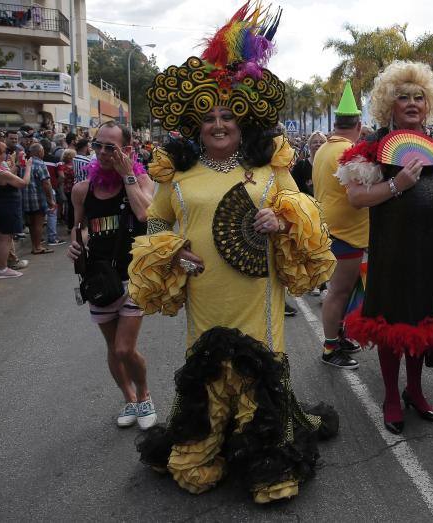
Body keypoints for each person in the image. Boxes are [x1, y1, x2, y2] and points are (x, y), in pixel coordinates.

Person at [129, 3, 338, 502]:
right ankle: (205, 444)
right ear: (197, 126)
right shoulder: (176, 173)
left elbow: (300, 207)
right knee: (208, 368)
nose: (219, 124)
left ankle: (268, 459)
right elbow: (156, 217)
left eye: (228, 117)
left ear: (243, 125)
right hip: (205, 290)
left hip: (257, 286)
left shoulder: (269, 168)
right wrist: (174, 250)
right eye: (210, 118)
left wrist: (279, 218)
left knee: (259, 367)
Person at [338, 61, 433, 434]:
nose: (411, 103)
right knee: (390, 326)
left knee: (420, 325)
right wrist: (397, 185)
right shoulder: (373, 147)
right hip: (389, 252)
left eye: (418, 97)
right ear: (389, 104)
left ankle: (415, 390)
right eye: (402, 97)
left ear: (429, 105)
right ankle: (391, 395)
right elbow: (357, 198)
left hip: (426, 255)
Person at [66, 120, 157, 429]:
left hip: (135, 277)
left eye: (111, 147)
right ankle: (129, 399)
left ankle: (144, 397)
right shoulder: (82, 190)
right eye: (98, 146)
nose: (103, 153)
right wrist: (75, 245)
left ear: (127, 150)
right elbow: (79, 228)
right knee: (112, 349)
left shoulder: (140, 180)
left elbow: (145, 213)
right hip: (100, 280)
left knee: (124, 347)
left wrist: (126, 175)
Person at [313, 80, 366, 370]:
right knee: (339, 292)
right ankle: (330, 348)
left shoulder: (324, 149)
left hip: (330, 229)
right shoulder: (349, 152)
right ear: (358, 124)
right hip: (346, 234)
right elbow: (358, 196)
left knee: (341, 290)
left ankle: (339, 336)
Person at [0, 141, 31, 279]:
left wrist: (17, 165)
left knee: (2, 237)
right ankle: (2, 268)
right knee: (5, 238)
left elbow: (7, 176)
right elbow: (23, 183)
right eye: (5, 152)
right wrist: (28, 168)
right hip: (7, 206)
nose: (7, 154)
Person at [21, 143, 55, 254]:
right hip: (38, 197)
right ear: (40, 152)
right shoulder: (40, 163)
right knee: (39, 223)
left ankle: (34, 246)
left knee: (31, 224)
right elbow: (46, 183)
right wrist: (50, 200)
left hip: (25, 198)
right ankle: (37, 247)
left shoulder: (24, 163)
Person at [291, 131, 325, 195]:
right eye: (315, 142)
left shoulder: (329, 165)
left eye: (321, 142)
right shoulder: (300, 166)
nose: (318, 144)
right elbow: (294, 188)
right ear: (309, 145)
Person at [58, 149, 77, 233]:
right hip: (72, 188)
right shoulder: (71, 167)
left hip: (66, 189)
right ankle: (73, 225)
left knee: (69, 207)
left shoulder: (63, 166)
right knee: (73, 208)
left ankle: (69, 225)